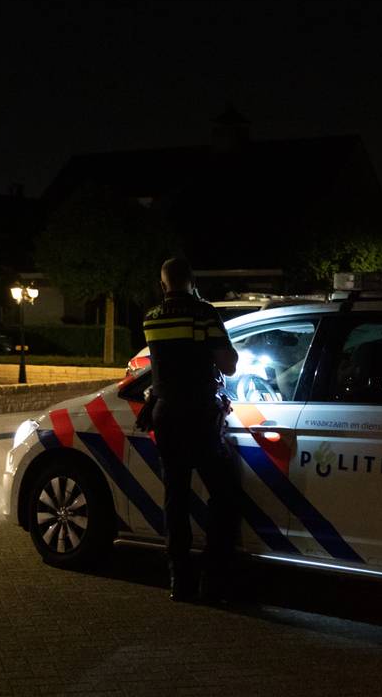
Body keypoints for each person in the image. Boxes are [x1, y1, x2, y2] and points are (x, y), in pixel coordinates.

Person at [140, 257, 239, 602]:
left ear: (163, 284)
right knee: (224, 493)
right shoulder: (203, 312)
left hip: (166, 415)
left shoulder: (151, 318)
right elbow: (228, 364)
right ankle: (214, 577)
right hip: (199, 414)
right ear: (192, 281)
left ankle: (179, 580)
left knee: (176, 497)